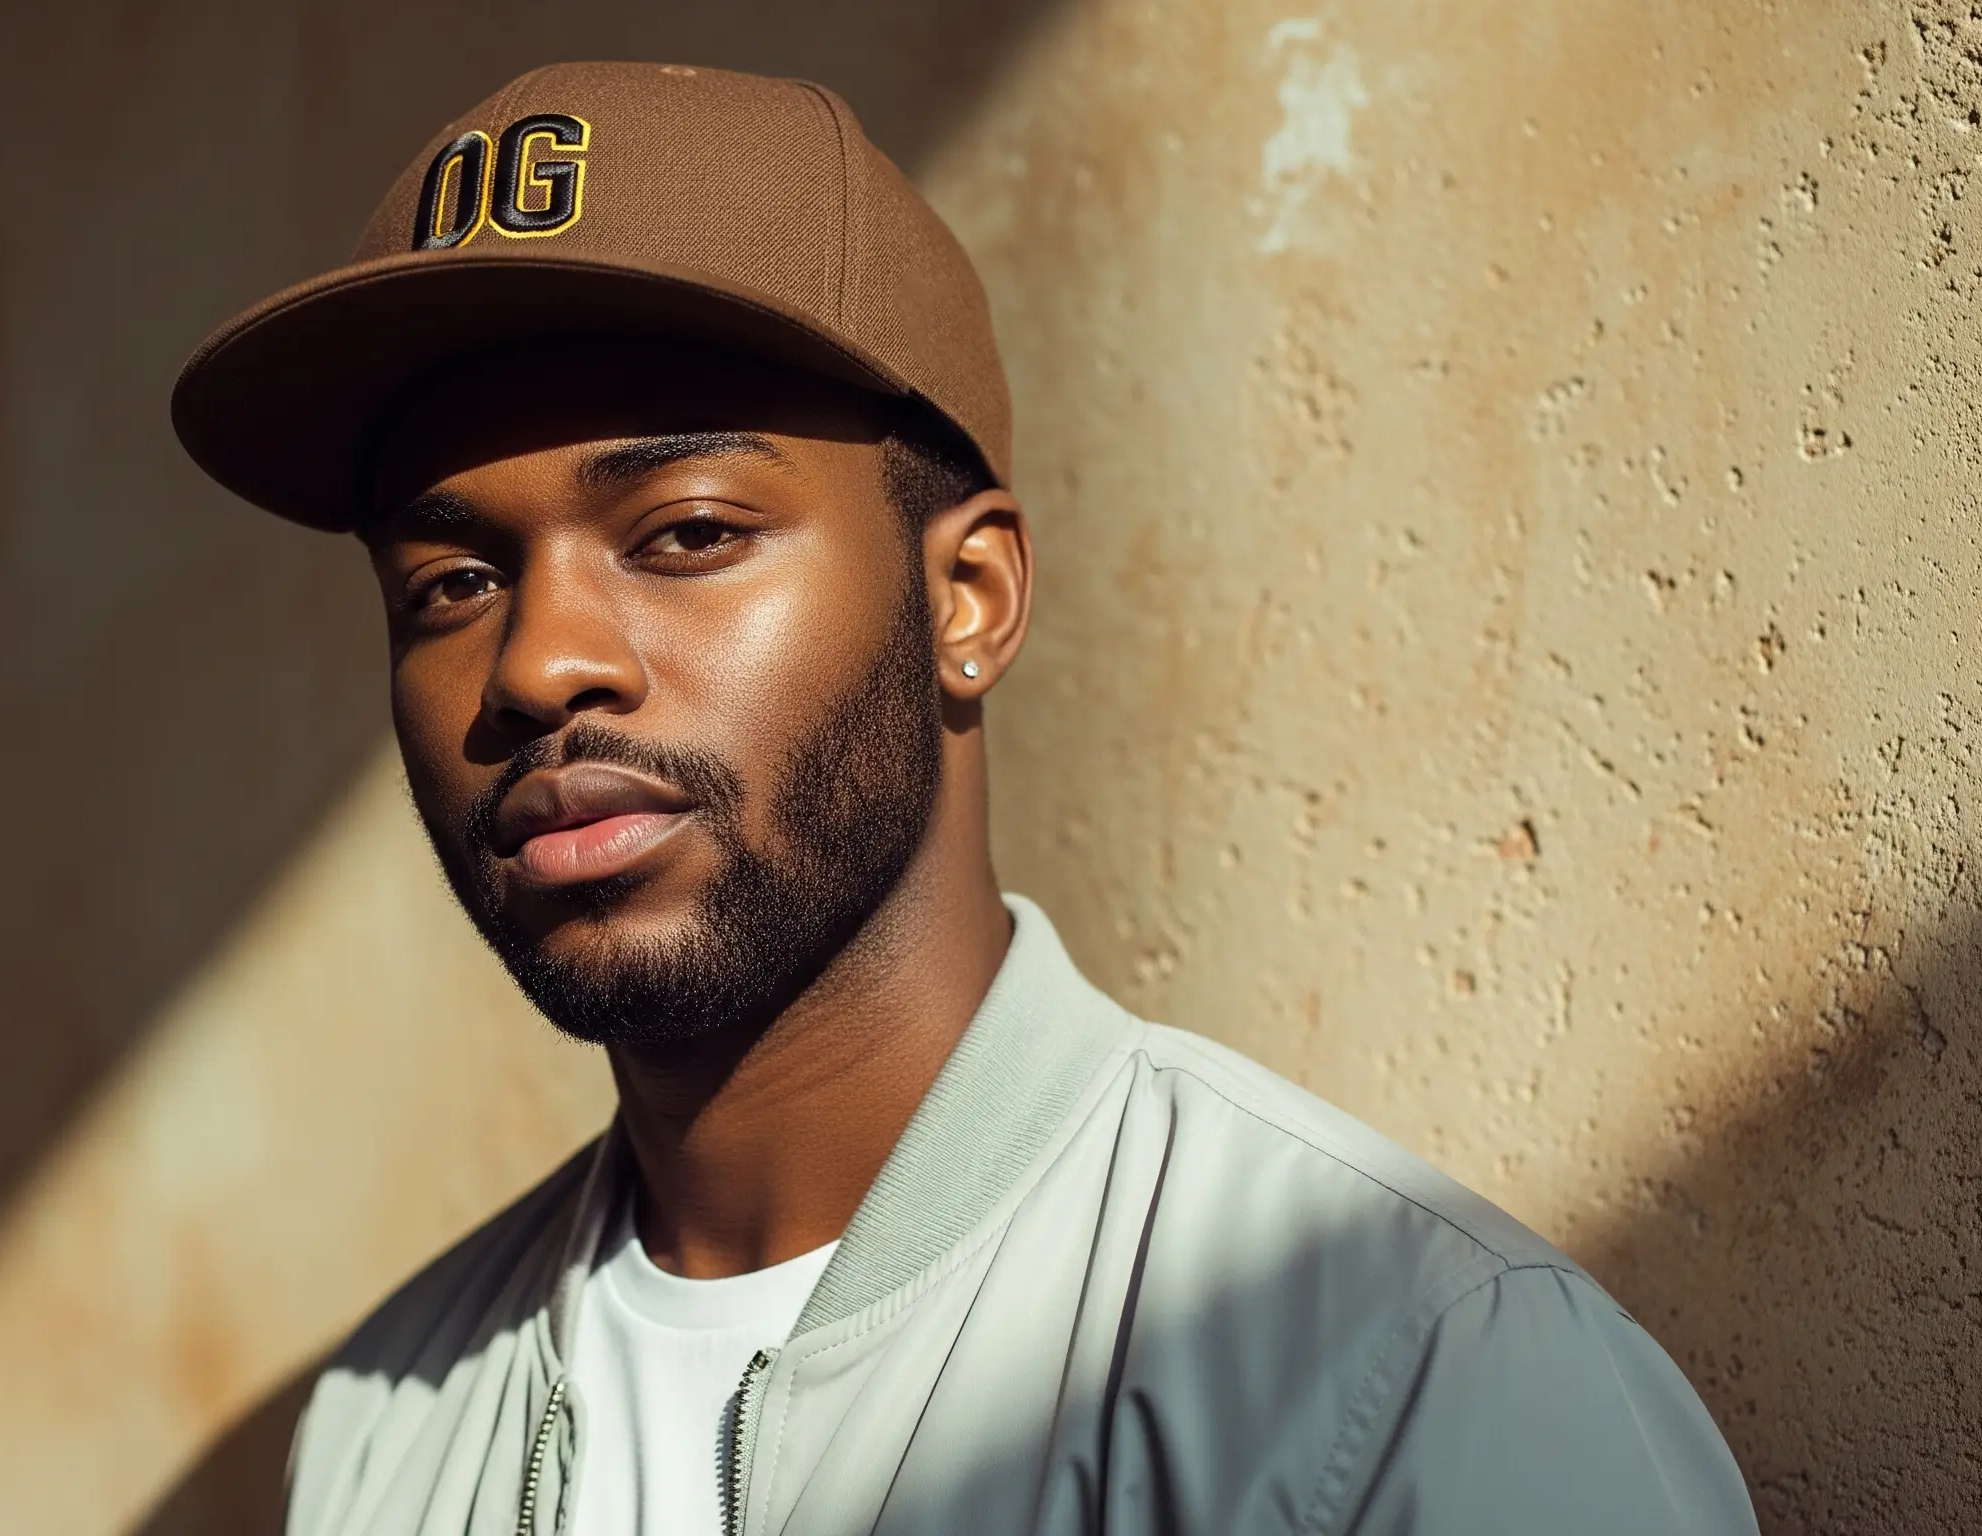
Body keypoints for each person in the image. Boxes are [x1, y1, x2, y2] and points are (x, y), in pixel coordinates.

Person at [171, 60, 1756, 1536]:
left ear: (970, 598)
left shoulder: (1412, 1374)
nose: (539, 664)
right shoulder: (390, 1427)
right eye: (449, 580)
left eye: (688, 533)